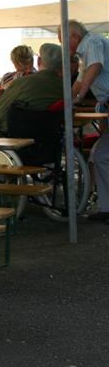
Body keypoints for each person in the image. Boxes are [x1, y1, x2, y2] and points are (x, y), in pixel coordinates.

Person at [60, 20, 109, 221]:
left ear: (74, 36)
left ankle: (106, 207)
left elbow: (95, 67)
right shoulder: (84, 53)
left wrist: (78, 98)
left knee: (100, 155)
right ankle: (105, 207)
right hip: (105, 104)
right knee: (99, 156)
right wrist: (66, 100)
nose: (63, 46)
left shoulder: (92, 42)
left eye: (63, 40)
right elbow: (80, 80)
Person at [0, 43, 64, 136]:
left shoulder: (17, 81)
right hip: (41, 135)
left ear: (39, 61)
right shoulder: (63, 86)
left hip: (7, 131)